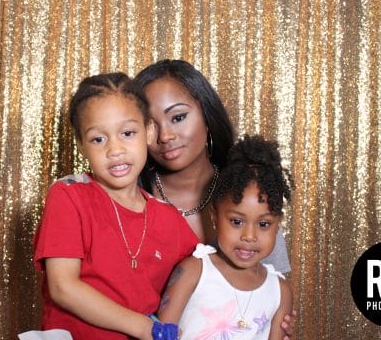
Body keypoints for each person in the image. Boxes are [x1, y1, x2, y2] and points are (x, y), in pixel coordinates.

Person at [132, 59, 296, 337]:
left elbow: (268, 302)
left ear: (207, 116)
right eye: (149, 125)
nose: (166, 136)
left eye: (178, 117)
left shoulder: (249, 192)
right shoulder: (129, 199)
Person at [33, 72, 197, 339]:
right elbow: (63, 287)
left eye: (128, 133)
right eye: (98, 139)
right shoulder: (69, 195)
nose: (115, 150)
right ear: (81, 145)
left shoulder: (167, 217)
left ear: (149, 132)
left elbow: (204, 270)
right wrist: (146, 328)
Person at [156, 134, 294, 340]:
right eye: (237, 221)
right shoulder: (194, 271)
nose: (249, 236)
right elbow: (160, 334)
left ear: (277, 225)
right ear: (214, 217)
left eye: (263, 224)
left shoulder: (280, 292)